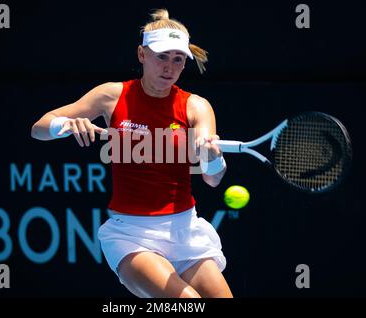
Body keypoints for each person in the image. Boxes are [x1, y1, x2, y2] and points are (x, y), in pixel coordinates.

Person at [31, 9, 233, 298]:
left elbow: (213, 179)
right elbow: (38, 128)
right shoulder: (111, 95)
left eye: (178, 59)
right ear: (142, 54)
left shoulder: (196, 106)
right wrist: (65, 124)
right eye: (161, 56)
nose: (169, 67)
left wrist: (212, 158)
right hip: (132, 236)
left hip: (186, 231)